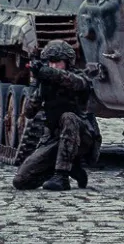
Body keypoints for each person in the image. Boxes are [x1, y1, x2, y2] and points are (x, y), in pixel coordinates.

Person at [12, 40, 98, 191]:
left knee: (68, 117)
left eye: (57, 62)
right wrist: (38, 85)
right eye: (50, 63)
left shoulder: (80, 78)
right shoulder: (47, 83)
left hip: (82, 137)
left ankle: (62, 176)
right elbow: (29, 112)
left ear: (67, 62)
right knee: (21, 181)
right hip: (55, 138)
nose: (53, 66)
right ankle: (71, 168)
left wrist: (49, 74)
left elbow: (74, 82)